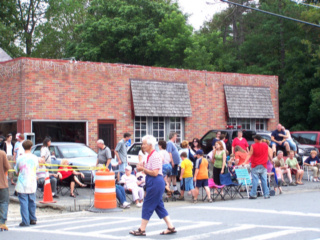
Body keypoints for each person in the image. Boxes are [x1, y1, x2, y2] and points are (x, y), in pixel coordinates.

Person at [131, 135, 176, 236]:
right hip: (153, 181)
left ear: (150, 145)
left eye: (144, 144)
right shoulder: (150, 155)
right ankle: (171, 227)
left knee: (147, 205)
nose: (142, 146)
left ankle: (142, 230)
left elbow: (155, 172)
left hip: (155, 181)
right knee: (159, 205)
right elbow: (150, 171)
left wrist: (143, 169)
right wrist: (143, 168)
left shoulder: (155, 155)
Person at [14, 140, 39, 227]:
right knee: (32, 201)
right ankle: (33, 218)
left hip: (22, 182)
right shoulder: (35, 158)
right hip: (32, 182)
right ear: (31, 147)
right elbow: (37, 169)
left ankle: (25, 221)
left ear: (23, 147)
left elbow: (16, 171)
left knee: (23, 202)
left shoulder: (20, 158)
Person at [245, 135, 272, 199]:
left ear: (256, 139)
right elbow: (268, 153)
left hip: (255, 164)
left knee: (255, 180)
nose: (254, 140)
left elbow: (250, 154)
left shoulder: (253, 146)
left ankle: (253, 194)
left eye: (254, 139)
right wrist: (271, 160)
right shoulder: (265, 145)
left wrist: (245, 161)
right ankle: (266, 194)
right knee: (264, 179)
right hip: (263, 164)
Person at [0, 150, 10, 231]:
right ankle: (2, 223)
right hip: (2, 183)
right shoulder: (2, 153)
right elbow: (7, 167)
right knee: (4, 202)